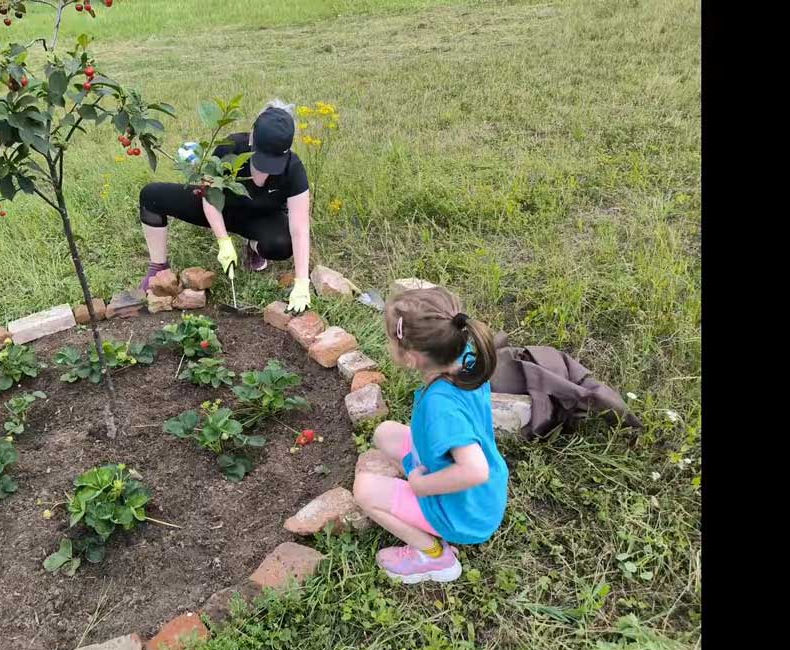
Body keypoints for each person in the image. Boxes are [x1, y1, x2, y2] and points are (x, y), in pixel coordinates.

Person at [352, 286, 510, 584]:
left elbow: (475, 470)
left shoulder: (441, 407)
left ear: (410, 358)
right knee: (385, 433)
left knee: (364, 491)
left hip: (464, 513)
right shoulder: (464, 358)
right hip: (475, 495)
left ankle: (434, 556)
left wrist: (421, 485)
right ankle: (416, 495)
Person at [136, 100, 313, 313]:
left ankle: (253, 246)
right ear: (252, 138)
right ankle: (158, 267)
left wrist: (302, 282)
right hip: (222, 207)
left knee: (282, 244)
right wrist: (223, 241)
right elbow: (209, 196)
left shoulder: (293, 169)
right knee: (151, 196)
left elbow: (300, 229)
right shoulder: (230, 148)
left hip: (260, 218)